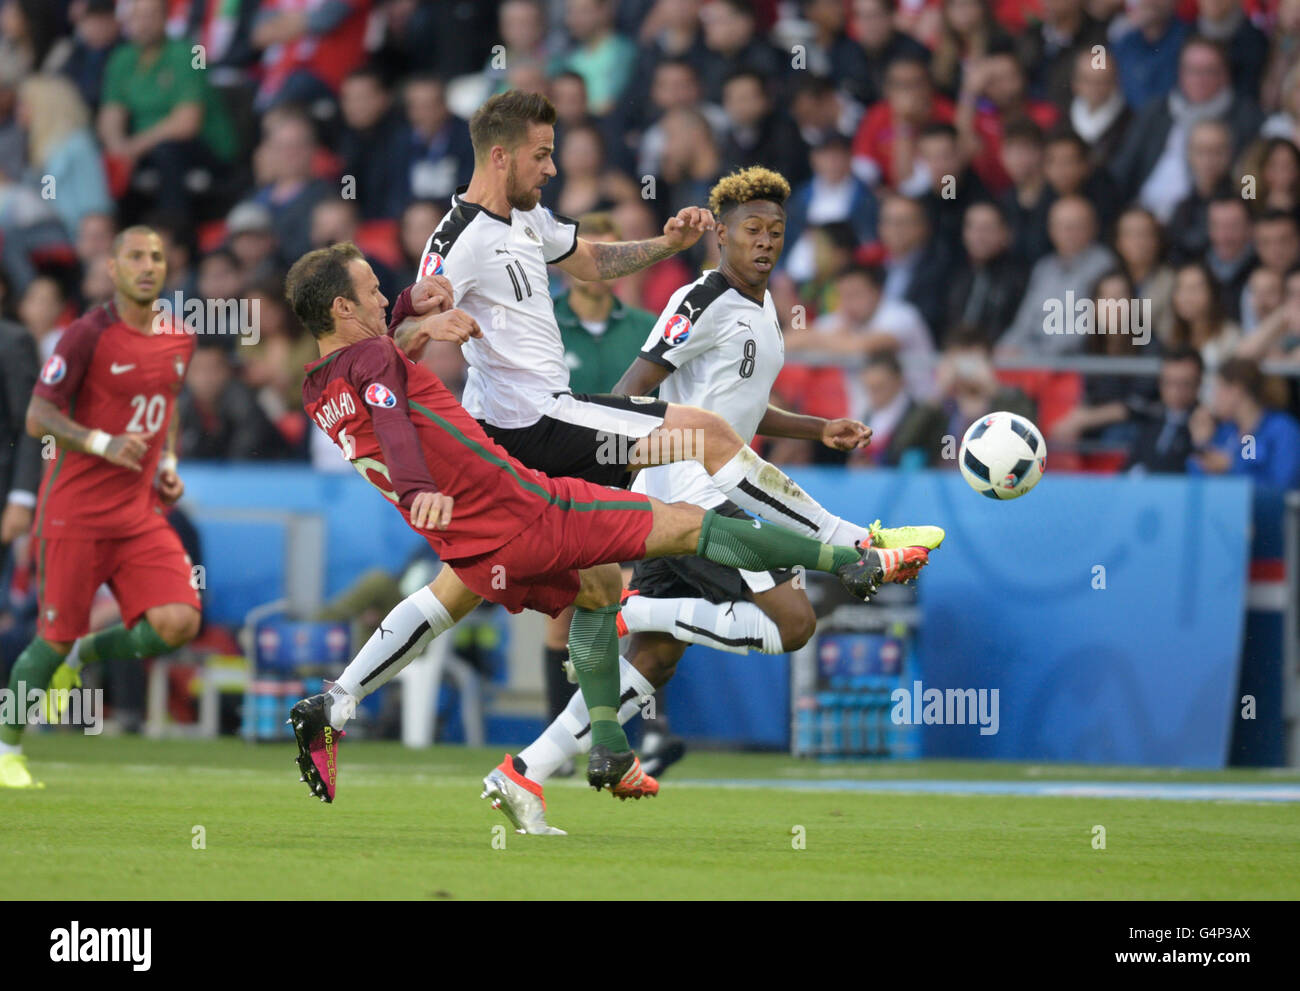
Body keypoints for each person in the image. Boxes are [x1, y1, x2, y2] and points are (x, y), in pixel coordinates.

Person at [283, 241, 931, 809]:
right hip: (522, 508)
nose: (383, 295)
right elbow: (389, 408)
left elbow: (374, 376)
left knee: (587, 588)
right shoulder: (374, 366)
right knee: (685, 525)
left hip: (472, 536)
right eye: (370, 290)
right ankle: (848, 558)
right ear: (342, 309)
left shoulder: (319, 386)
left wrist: (405, 317)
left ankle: (343, 702)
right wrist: (420, 477)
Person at [0, 227, 202, 789]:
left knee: (179, 621)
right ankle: (5, 749)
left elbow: (166, 406)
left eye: (157, 257)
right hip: (75, 513)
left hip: (138, 513)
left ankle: (85, 652)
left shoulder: (180, 339)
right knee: (52, 636)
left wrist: (167, 462)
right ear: (111, 269)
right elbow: (39, 416)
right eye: (135, 256)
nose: (148, 266)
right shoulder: (84, 336)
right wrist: (100, 442)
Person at [1188, 357, 1300, 490]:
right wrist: (1202, 445)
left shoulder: (1283, 429)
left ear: (1236, 390)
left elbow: (1284, 486)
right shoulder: (1226, 432)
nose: (1214, 397)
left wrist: (1231, 467)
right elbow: (1197, 487)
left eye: (1218, 388)